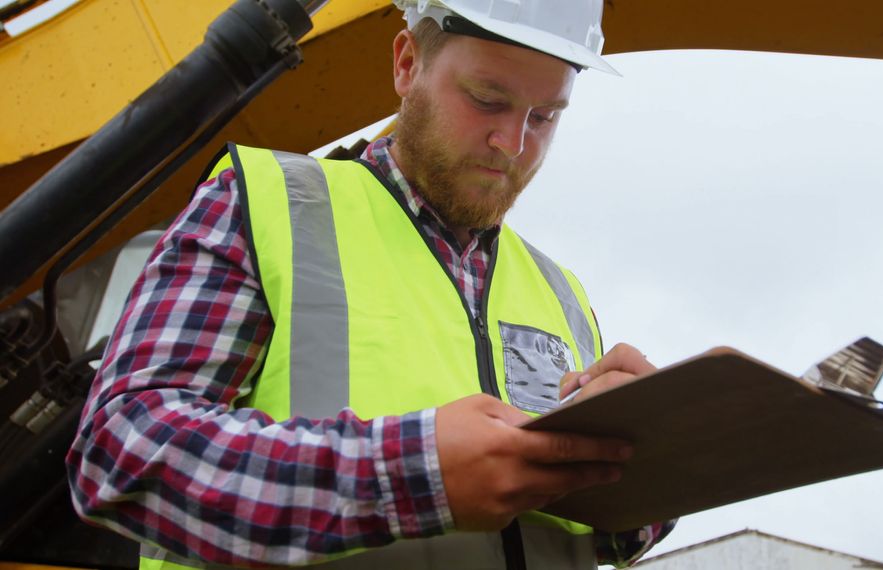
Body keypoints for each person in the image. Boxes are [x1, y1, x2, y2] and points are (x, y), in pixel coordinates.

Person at [67, 0, 675, 568]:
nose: (512, 144)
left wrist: (645, 467)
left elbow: (590, 534)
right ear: (407, 64)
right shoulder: (266, 205)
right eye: (488, 100)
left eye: (544, 117)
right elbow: (122, 448)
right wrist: (411, 475)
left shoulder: (558, 289)